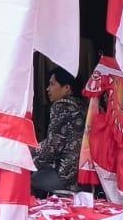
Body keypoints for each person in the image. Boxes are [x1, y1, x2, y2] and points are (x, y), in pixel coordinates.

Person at [30, 65, 87, 199]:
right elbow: (56, 140)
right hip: (83, 174)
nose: (47, 89)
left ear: (66, 88)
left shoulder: (61, 106)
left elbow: (52, 147)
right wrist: (35, 148)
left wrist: (30, 162)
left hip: (66, 175)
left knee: (31, 177)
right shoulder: (81, 105)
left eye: (52, 84)